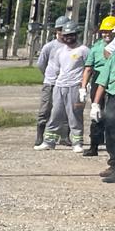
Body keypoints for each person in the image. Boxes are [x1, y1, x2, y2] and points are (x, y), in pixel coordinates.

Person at [40, 21, 88, 152]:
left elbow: (89, 69)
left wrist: (84, 87)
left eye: (71, 35)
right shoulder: (60, 51)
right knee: (56, 113)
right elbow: (54, 69)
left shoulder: (83, 50)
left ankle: (77, 142)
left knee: (74, 115)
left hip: (75, 86)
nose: (68, 37)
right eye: (66, 35)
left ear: (76, 35)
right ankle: (49, 141)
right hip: (60, 86)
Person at [35, 15, 72, 148]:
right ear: (56, 31)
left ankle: (64, 136)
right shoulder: (49, 46)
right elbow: (41, 64)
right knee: (45, 109)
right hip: (51, 83)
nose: (64, 33)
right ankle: (40, 135)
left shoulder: (72, 47)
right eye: (61, 30)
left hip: (66, 83)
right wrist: (49, 75)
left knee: (66, 110)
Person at [80, 16, 115, 157]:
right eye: (103, 32)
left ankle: (110, 148)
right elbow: (88, 68)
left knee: (111, 118)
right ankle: (94, 145)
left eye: (108, 31)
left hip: (111, 81)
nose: (105, 34)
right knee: (97, 114)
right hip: (99, 80)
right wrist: (83, 86)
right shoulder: (96, 47)